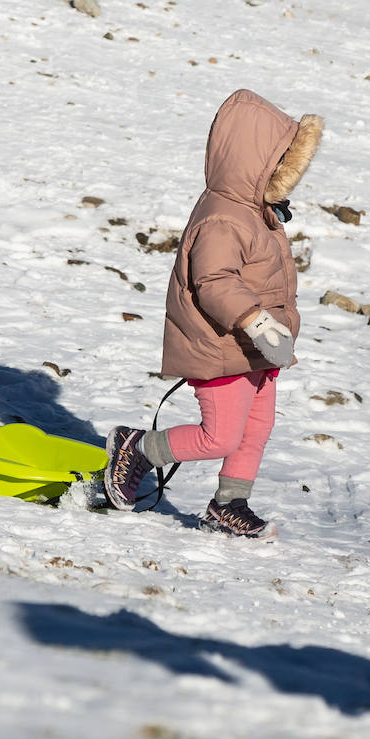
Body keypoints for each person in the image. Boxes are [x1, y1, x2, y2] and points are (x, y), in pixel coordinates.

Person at [104, 89, 323, 539]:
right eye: (281, 166)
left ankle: (229, 505)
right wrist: (258, 322)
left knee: (255, 429)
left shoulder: (256, 212)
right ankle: (138, 448)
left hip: (257, 346)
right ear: (255, 162)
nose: (288, 178)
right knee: (220, 435)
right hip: (221, 342)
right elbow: (214, 282)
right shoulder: (224, 217)